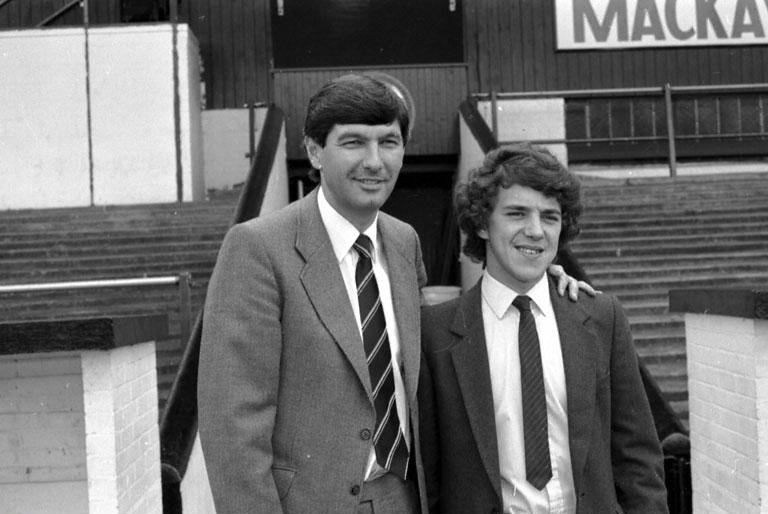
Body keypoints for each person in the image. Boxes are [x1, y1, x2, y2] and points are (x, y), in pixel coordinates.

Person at [198, 75, 588, 514]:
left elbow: (442, 344)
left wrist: (537, 284)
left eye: (389, 142)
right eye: (353, 143)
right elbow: (233, 428)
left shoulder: (404, 242)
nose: (374, 161)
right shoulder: (259, 248)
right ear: (313, 150)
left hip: (404, 496)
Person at [418, 143, 668, 514]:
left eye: (549, 217)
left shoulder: (601, 318)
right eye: (517, 213)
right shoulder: (435, 333)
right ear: (483, 224)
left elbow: (638, 459)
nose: (535, 231)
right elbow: (429, 475)